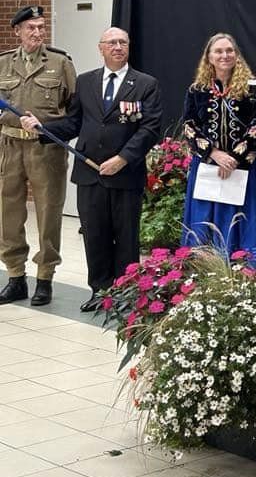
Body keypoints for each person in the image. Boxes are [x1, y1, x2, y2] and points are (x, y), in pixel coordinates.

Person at [21, 27, 162, 312]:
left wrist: (123, 158)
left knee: (126, 237)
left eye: (123, 42)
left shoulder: (145, 84)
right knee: (95, 236)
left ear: (128, 47)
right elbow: (73, 122)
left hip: (125, 174)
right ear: (101, 48)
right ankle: (100, 291)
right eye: (112, 42)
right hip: (90, 173)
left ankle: (125, 294)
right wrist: (42, 128)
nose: (118, 47)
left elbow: (149, 128)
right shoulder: (85, 82)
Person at [0, 5, 76, 306]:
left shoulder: (60, 63)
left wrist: (50, 128)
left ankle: (45, 278)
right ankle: (15, 277)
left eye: (41, 27)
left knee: (48, 212)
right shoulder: (3, 63)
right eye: (31, 27)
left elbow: (74, 110)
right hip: (9, 147)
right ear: (17, 31)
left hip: (46, 149)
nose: (37, 32)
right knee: (8, 212)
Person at [182, 33, 256, 266]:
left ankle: (247, 270)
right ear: (209, 57)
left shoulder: (252, 88)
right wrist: (214, 154)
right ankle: (206, 269)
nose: (225, 55)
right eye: (219, 51)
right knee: (205, 221)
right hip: (208, 166)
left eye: (229, 50)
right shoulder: (197, 90)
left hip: (243, 167)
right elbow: (189, 125)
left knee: (244, 219)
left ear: (237, 55)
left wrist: (233, 158)